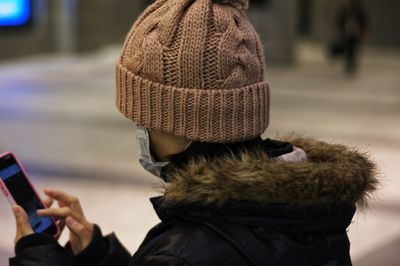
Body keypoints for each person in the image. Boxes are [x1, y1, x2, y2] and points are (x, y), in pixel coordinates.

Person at [10, 0, 379, 265]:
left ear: (181, 126)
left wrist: (38, 258)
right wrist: (97, 255)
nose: (141, 133)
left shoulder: (188, 249)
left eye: (145, 121)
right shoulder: (308, 214)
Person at [335, 0, 369, 75]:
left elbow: (364, 21)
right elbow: (339, 20)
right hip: (347, 33)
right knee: (348, 48)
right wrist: (340, 32)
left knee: (354, 49)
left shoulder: (360, 10)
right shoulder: (345, 9)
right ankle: (349, 64)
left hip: (356, 33)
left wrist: (363, 32)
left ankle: (352, 64)